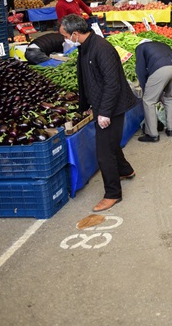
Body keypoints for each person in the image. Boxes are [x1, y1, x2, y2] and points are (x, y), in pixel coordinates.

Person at [59, 14, 137, 213]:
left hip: (112, 107)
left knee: (104, 152)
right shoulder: (85, 47)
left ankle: (112, 194)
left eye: (65, 36)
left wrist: (104, 112)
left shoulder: (101, 48)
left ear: (75, 34)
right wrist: (86, 104)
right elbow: (89, 79)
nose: (65, 40)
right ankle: (125, 170)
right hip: (101, 104)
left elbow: (112, 84)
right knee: (110, 144)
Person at [134, 40, 172, 142]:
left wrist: (146, 90)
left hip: (162, 69)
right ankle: (170, 129)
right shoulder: (163, 44)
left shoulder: (140, 47)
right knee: (170, 97)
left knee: (149, 101)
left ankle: (152, 134)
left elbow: (140, 70)